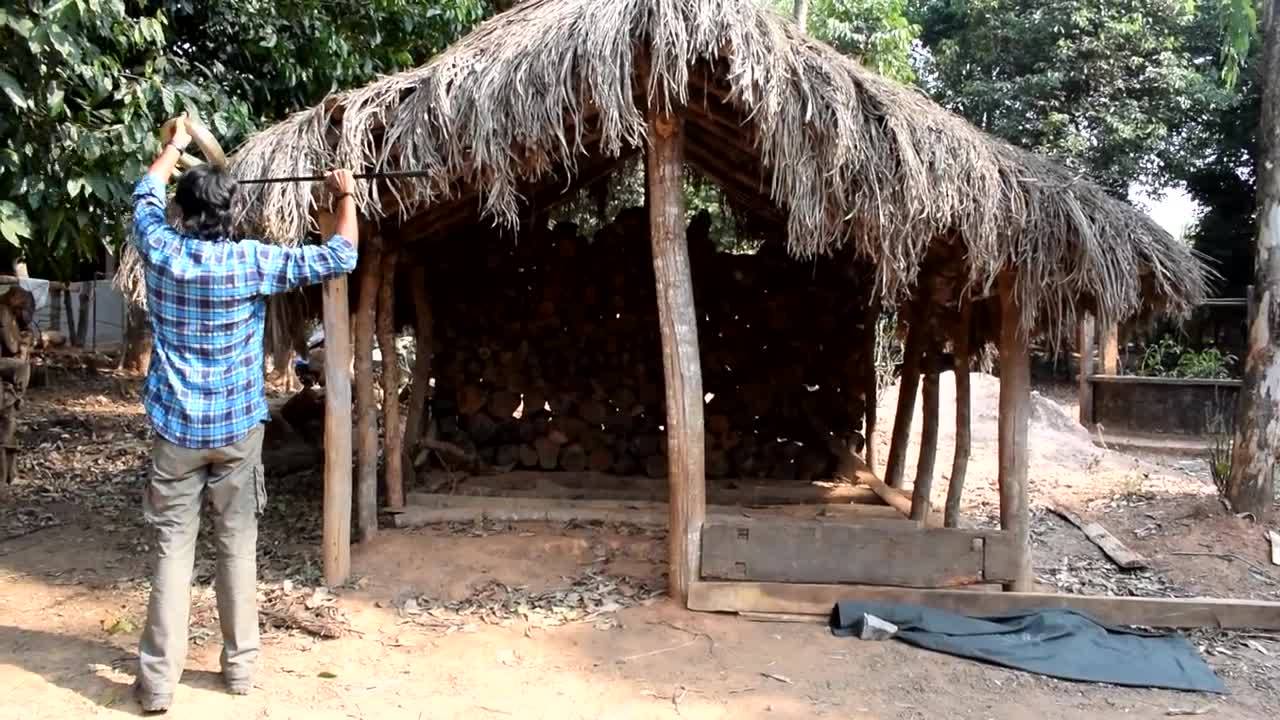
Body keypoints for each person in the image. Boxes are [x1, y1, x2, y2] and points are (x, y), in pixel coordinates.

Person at [130, 116, 359, 713]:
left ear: (183, 212)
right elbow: (342, 255)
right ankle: (239, 671)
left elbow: (144, 194)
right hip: (236, 432)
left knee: (170, 553)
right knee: (236, 547)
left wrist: (172, 150)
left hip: (176, 431)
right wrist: (345, 194)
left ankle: (157, 685)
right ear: (230, 214)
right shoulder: (251, 262)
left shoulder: (160, 249)